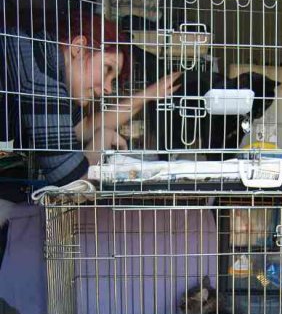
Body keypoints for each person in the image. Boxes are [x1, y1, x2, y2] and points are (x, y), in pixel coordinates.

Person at [0, 10, 180, 186]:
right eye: (107, 69)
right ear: (78, 48)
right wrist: (104, 138)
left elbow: (83, 127)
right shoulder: (42, 77)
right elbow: (72, 182)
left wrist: (147, 95)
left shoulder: (45, 59)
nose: (108, 88)